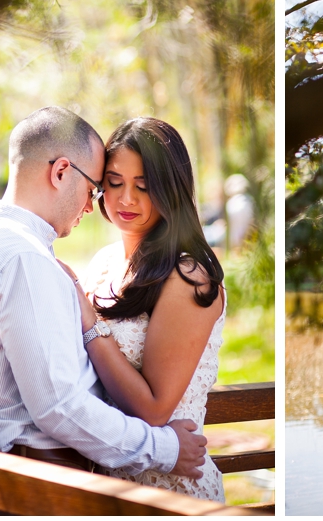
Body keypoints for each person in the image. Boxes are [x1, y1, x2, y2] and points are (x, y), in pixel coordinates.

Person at [0, 107, 207, 516]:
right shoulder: (21, 259)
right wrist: (164, 448)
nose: (94, 203)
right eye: (99, 186)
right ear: (61, 171)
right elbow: (57, 406)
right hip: (31, 486)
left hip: (14, 479)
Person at [72, 117, 226, 502]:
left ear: (170, 190)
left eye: (144, 187)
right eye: (115, 182)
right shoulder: (103, 263)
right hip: (106, 481)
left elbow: (155, 409)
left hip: (170, 489)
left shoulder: (189, 276)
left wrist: (89, 321)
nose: (126, 200)